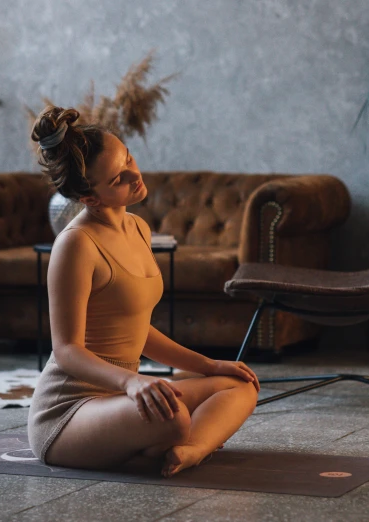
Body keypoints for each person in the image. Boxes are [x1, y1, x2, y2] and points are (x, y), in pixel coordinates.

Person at [27, 106, 259, 477]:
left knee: (240, 385)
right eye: (120, 177)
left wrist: (209, 365)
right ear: (90, 198)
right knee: (174, 418)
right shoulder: (76, 245)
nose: (136, 174)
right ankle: (177, 444)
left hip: (125, 399)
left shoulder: (137, 228)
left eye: (129, 158)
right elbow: (66, 350)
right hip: (71, 413)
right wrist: (132, 381)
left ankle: (189, 452)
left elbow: (136, 331)